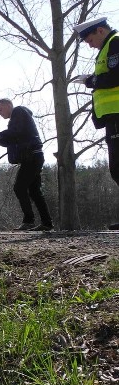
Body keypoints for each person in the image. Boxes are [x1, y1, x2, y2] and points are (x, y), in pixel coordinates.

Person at [72, 16, 119, 229]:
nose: (90, 46)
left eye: (90, 40)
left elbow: (116, 76)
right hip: (112, 117)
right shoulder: (107, 48)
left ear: (100, 30)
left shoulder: (115, 42)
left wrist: (92, 81)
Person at [0, 99, 53, 231]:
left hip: (32, 157)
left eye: (0, 109)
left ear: (8, 106)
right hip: (33, 157)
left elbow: (14, 133)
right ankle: (47, 223)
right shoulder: (17, 119)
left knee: (19, 187)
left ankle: (29, 221)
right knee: (34, 191)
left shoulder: (18, 111)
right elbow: (10, 140)